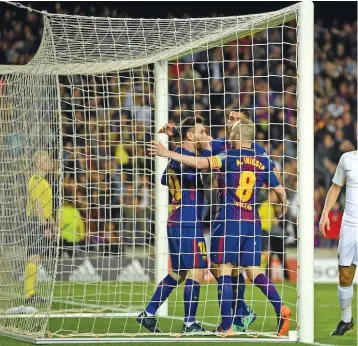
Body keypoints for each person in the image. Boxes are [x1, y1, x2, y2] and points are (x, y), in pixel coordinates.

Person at [149, 119, 291, 336]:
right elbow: (280, 189)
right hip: (252, 223)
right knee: (252, 271)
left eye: (233, 129)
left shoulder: (229, 155)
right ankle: (278, 307)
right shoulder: (261, 156)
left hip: (229, 220)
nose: (229, 133)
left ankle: (227, 326)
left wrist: (168, 152)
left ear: (239, 135)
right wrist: (283, 207)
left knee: (222, 269)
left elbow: (201, 162)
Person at [137, 116, 210, 333]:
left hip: (175, 220)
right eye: (201, 131)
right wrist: (177, 140)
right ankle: (189, 324)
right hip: (187, 221)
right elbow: (207, 157)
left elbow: (163, 180)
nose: (206, 136)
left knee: (178, 273)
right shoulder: (187, 159)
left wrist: (175, 138)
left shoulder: (175, 160)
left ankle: (148, 314)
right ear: (190, 135)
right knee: (197, 270)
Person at [319, 149, 358, 336]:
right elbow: (335, 187)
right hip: (350, 225)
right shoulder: (347, 158)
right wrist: (325, 214)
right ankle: (346, 319)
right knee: (344, 276)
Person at [25, 150, 56, 303]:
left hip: (41, 222)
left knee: (35, 258)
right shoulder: (36, 180)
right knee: (33, 257)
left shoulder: (44, 181)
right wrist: (45, 226)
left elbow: (46, 207)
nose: (49, 161)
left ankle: (32, 293)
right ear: (38, 163)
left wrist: (52, 224)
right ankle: (29, 294)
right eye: (46, 159)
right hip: (35, 222)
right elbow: (38, 205)